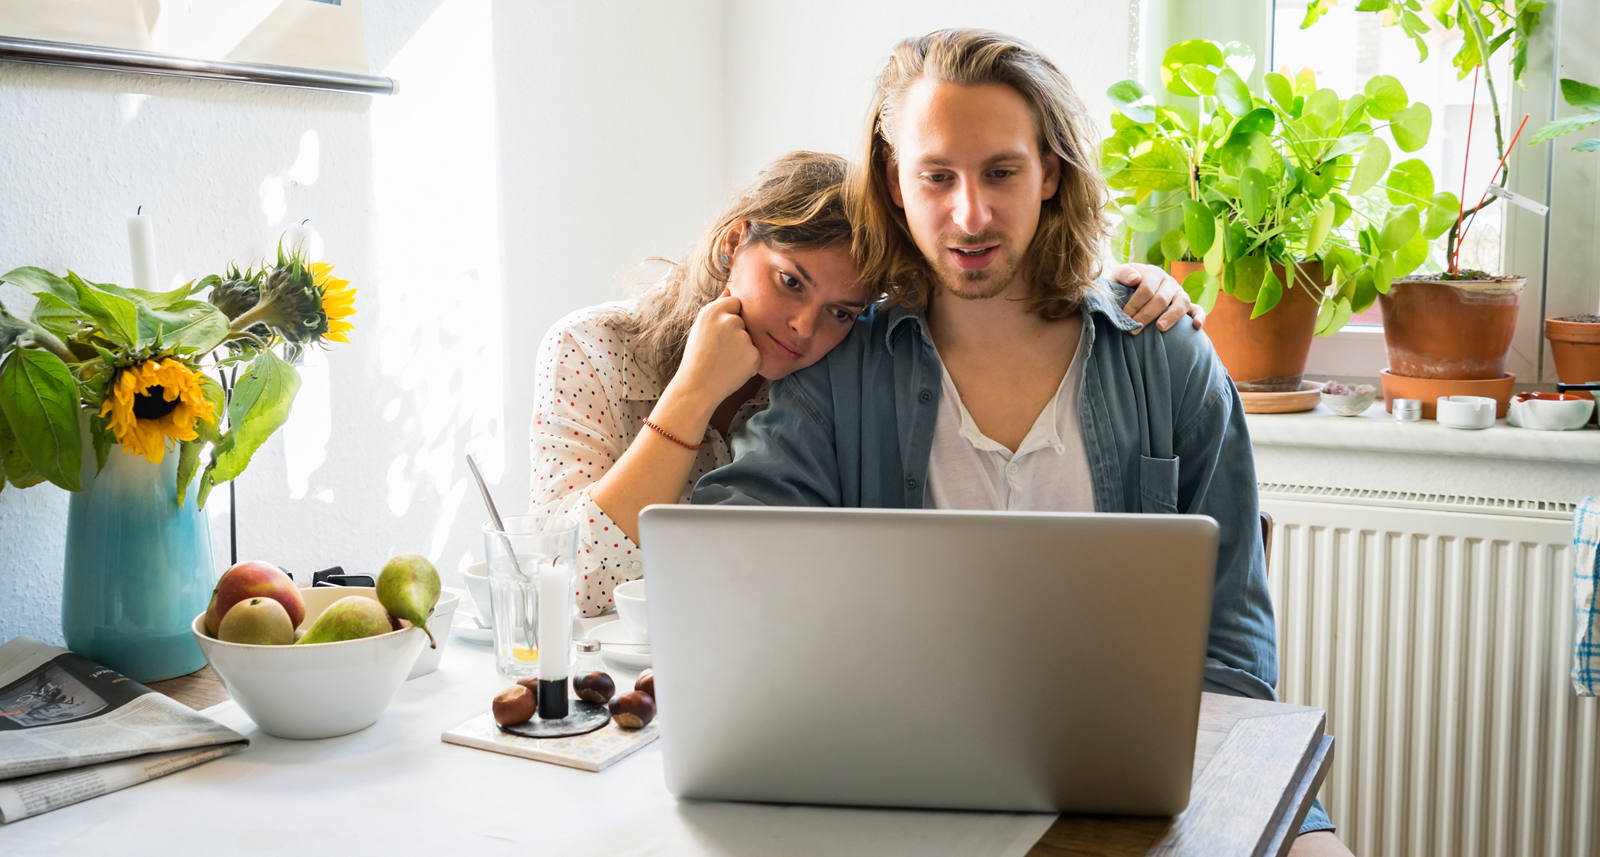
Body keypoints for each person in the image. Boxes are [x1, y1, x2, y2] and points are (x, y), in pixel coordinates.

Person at [692, 30, 1349, 856]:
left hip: (1146, 786)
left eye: (1001, 171)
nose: (971, 214)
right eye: (938, 176)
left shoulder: (1166, 353)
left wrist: (1170, 799)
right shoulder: (840, 372)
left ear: (1051, 173)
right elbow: (724, 559)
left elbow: (1236, 650)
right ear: (896, 185)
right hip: (906, 788)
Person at [529, 151, 1200, 618]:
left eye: (841, 311)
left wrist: (1114, 281)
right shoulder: (592, 352)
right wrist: (692, 395)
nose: (801, 327)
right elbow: (569, 583)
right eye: (790, 281)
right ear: (736, 244)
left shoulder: (834, 379)